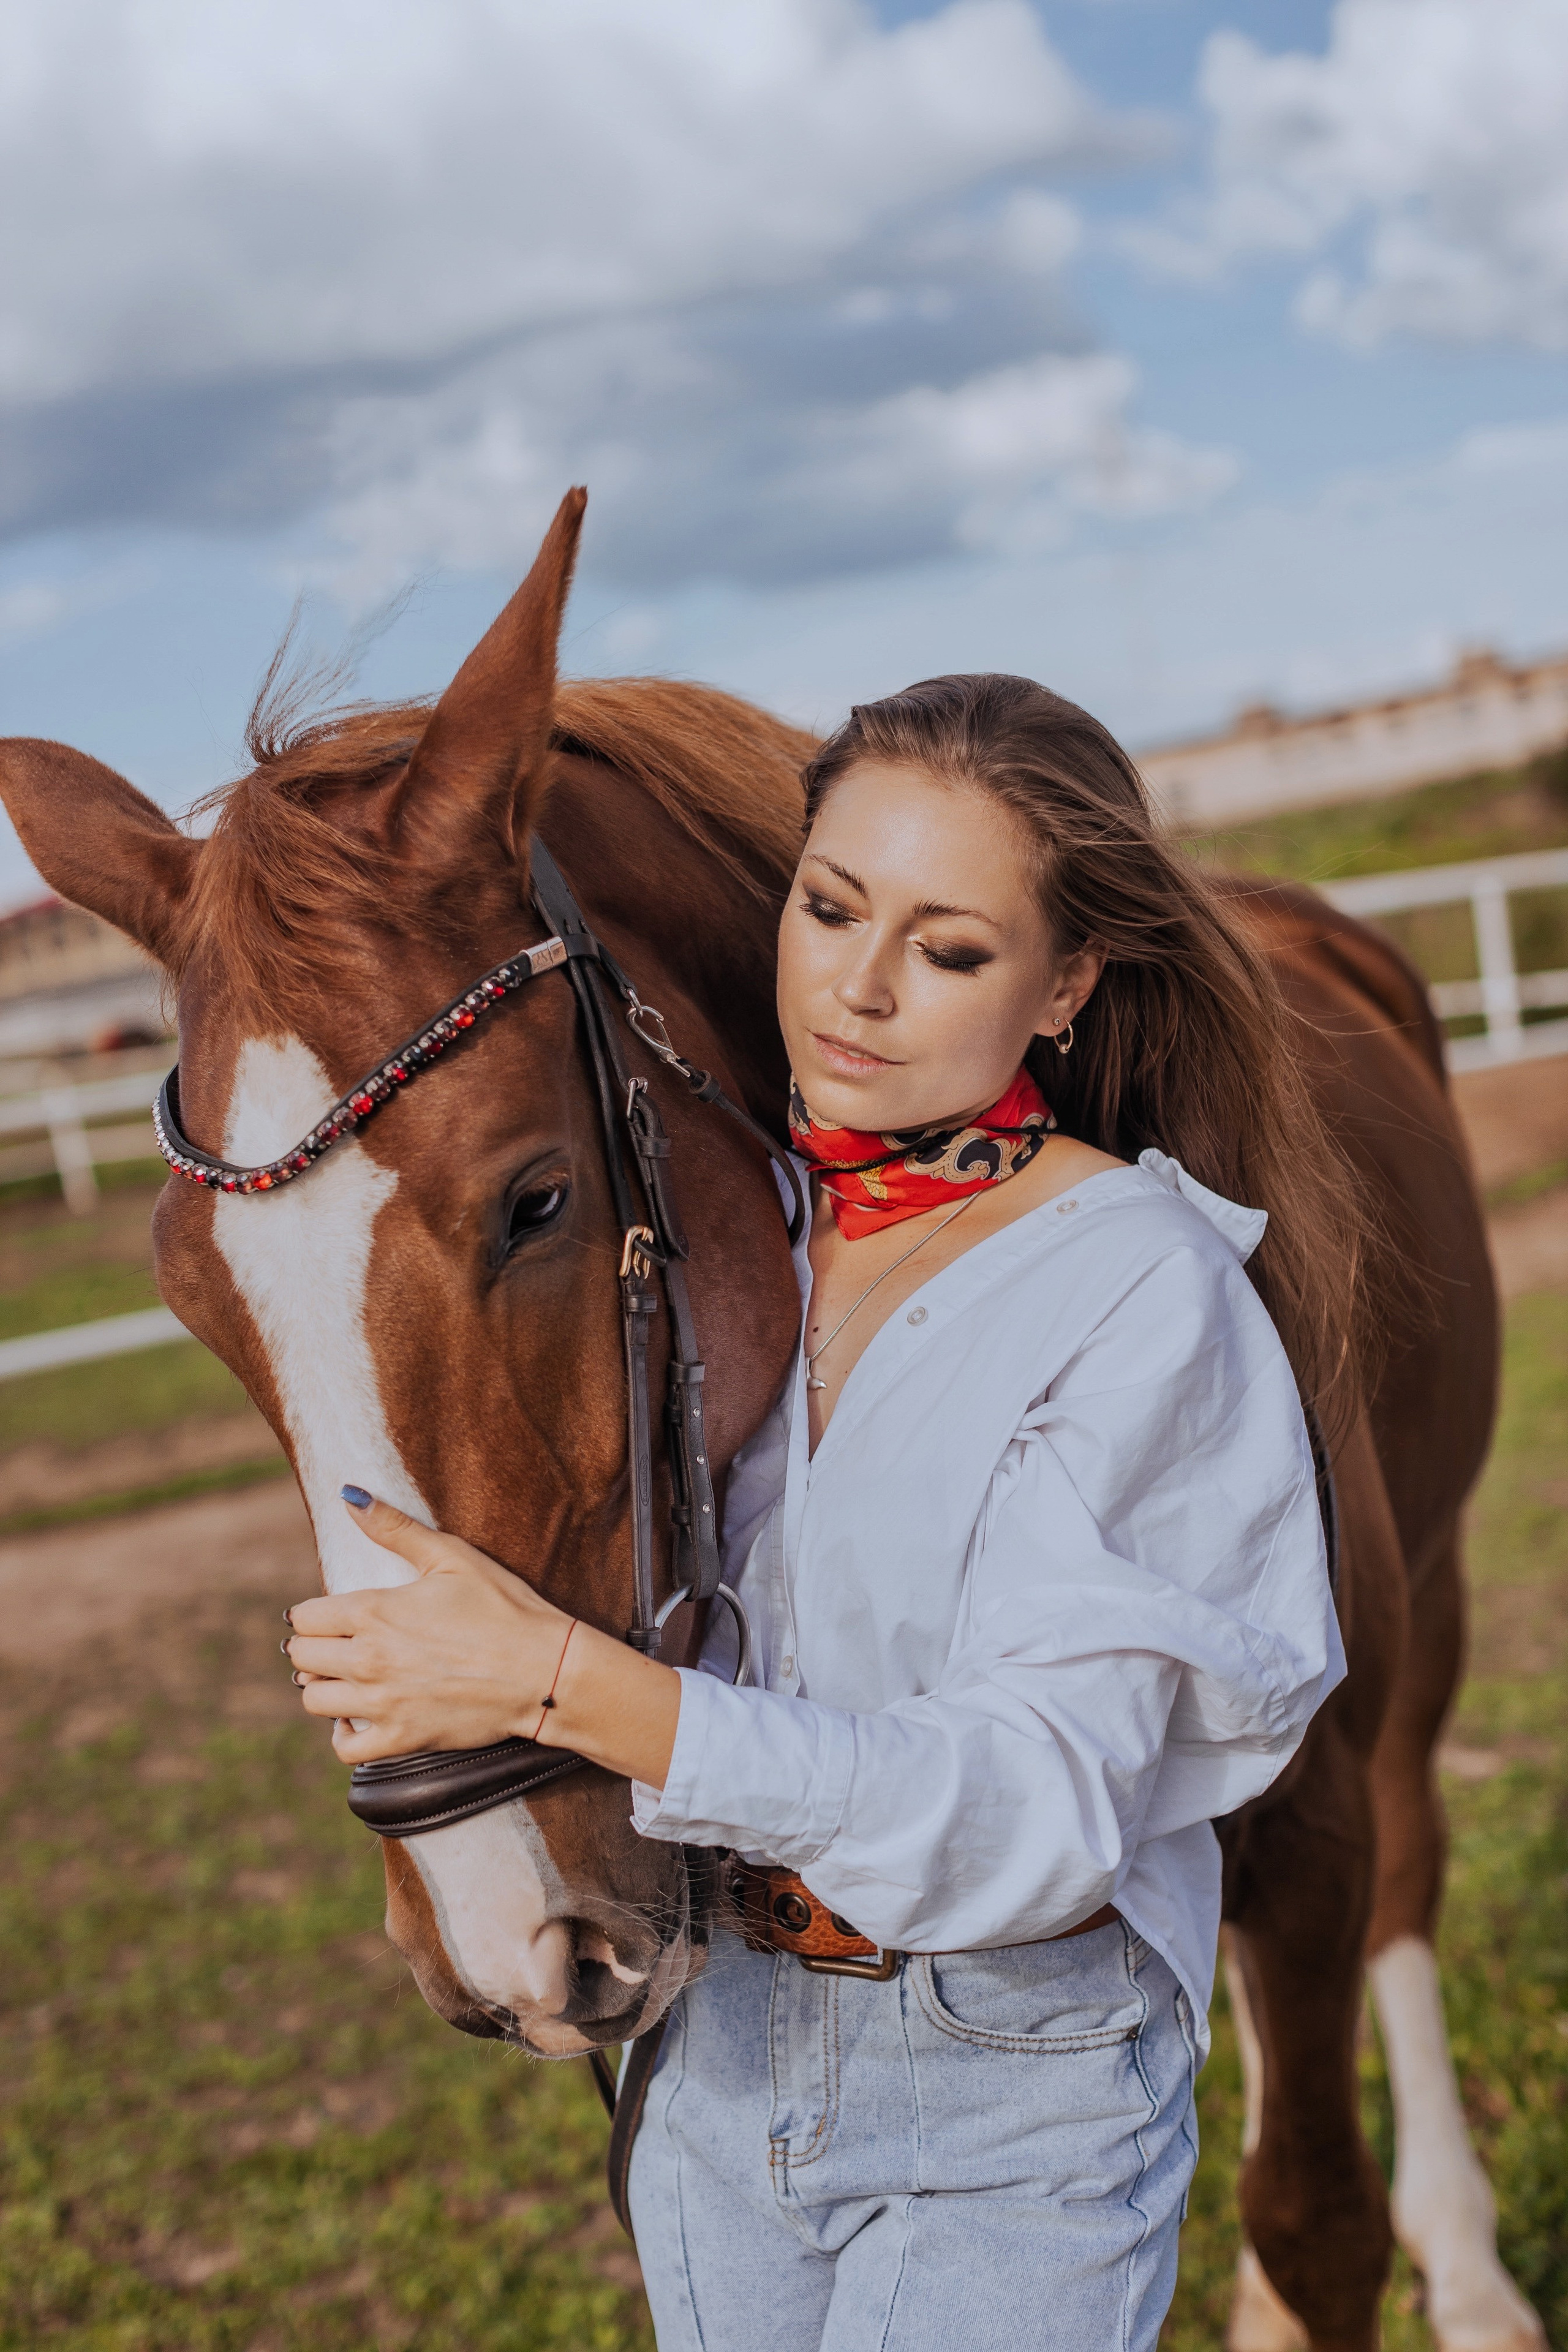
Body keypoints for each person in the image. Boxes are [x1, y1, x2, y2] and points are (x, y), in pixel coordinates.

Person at [283, 674, 1355, 2350]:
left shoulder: (1137, 1293)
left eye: (948, 950)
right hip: (716, 2042)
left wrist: (556, 1685)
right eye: (829, 904)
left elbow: (1033, 1809)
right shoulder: (734, 1236)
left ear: (1066, 983)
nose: (853, 992)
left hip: (1006, 2079)